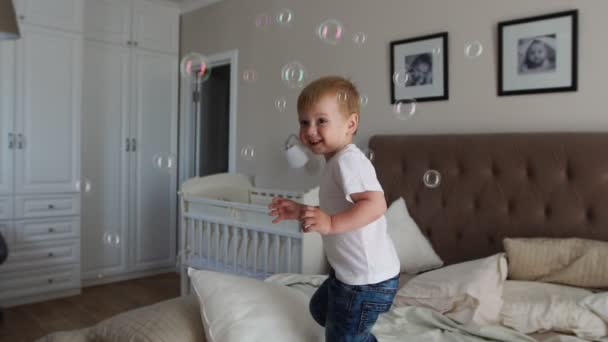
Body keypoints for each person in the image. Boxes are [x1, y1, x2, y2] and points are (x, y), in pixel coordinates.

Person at [268, 76, 400, 342]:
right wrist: (301, 210)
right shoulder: (336, 162)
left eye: (321, 121)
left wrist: (330, 224)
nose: (310, 130)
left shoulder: (348, 162)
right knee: (319, 309)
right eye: (304, 122)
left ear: (350, 124)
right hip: (349, 274)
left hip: (366, 282)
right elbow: (336, 209)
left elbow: (376, 205)